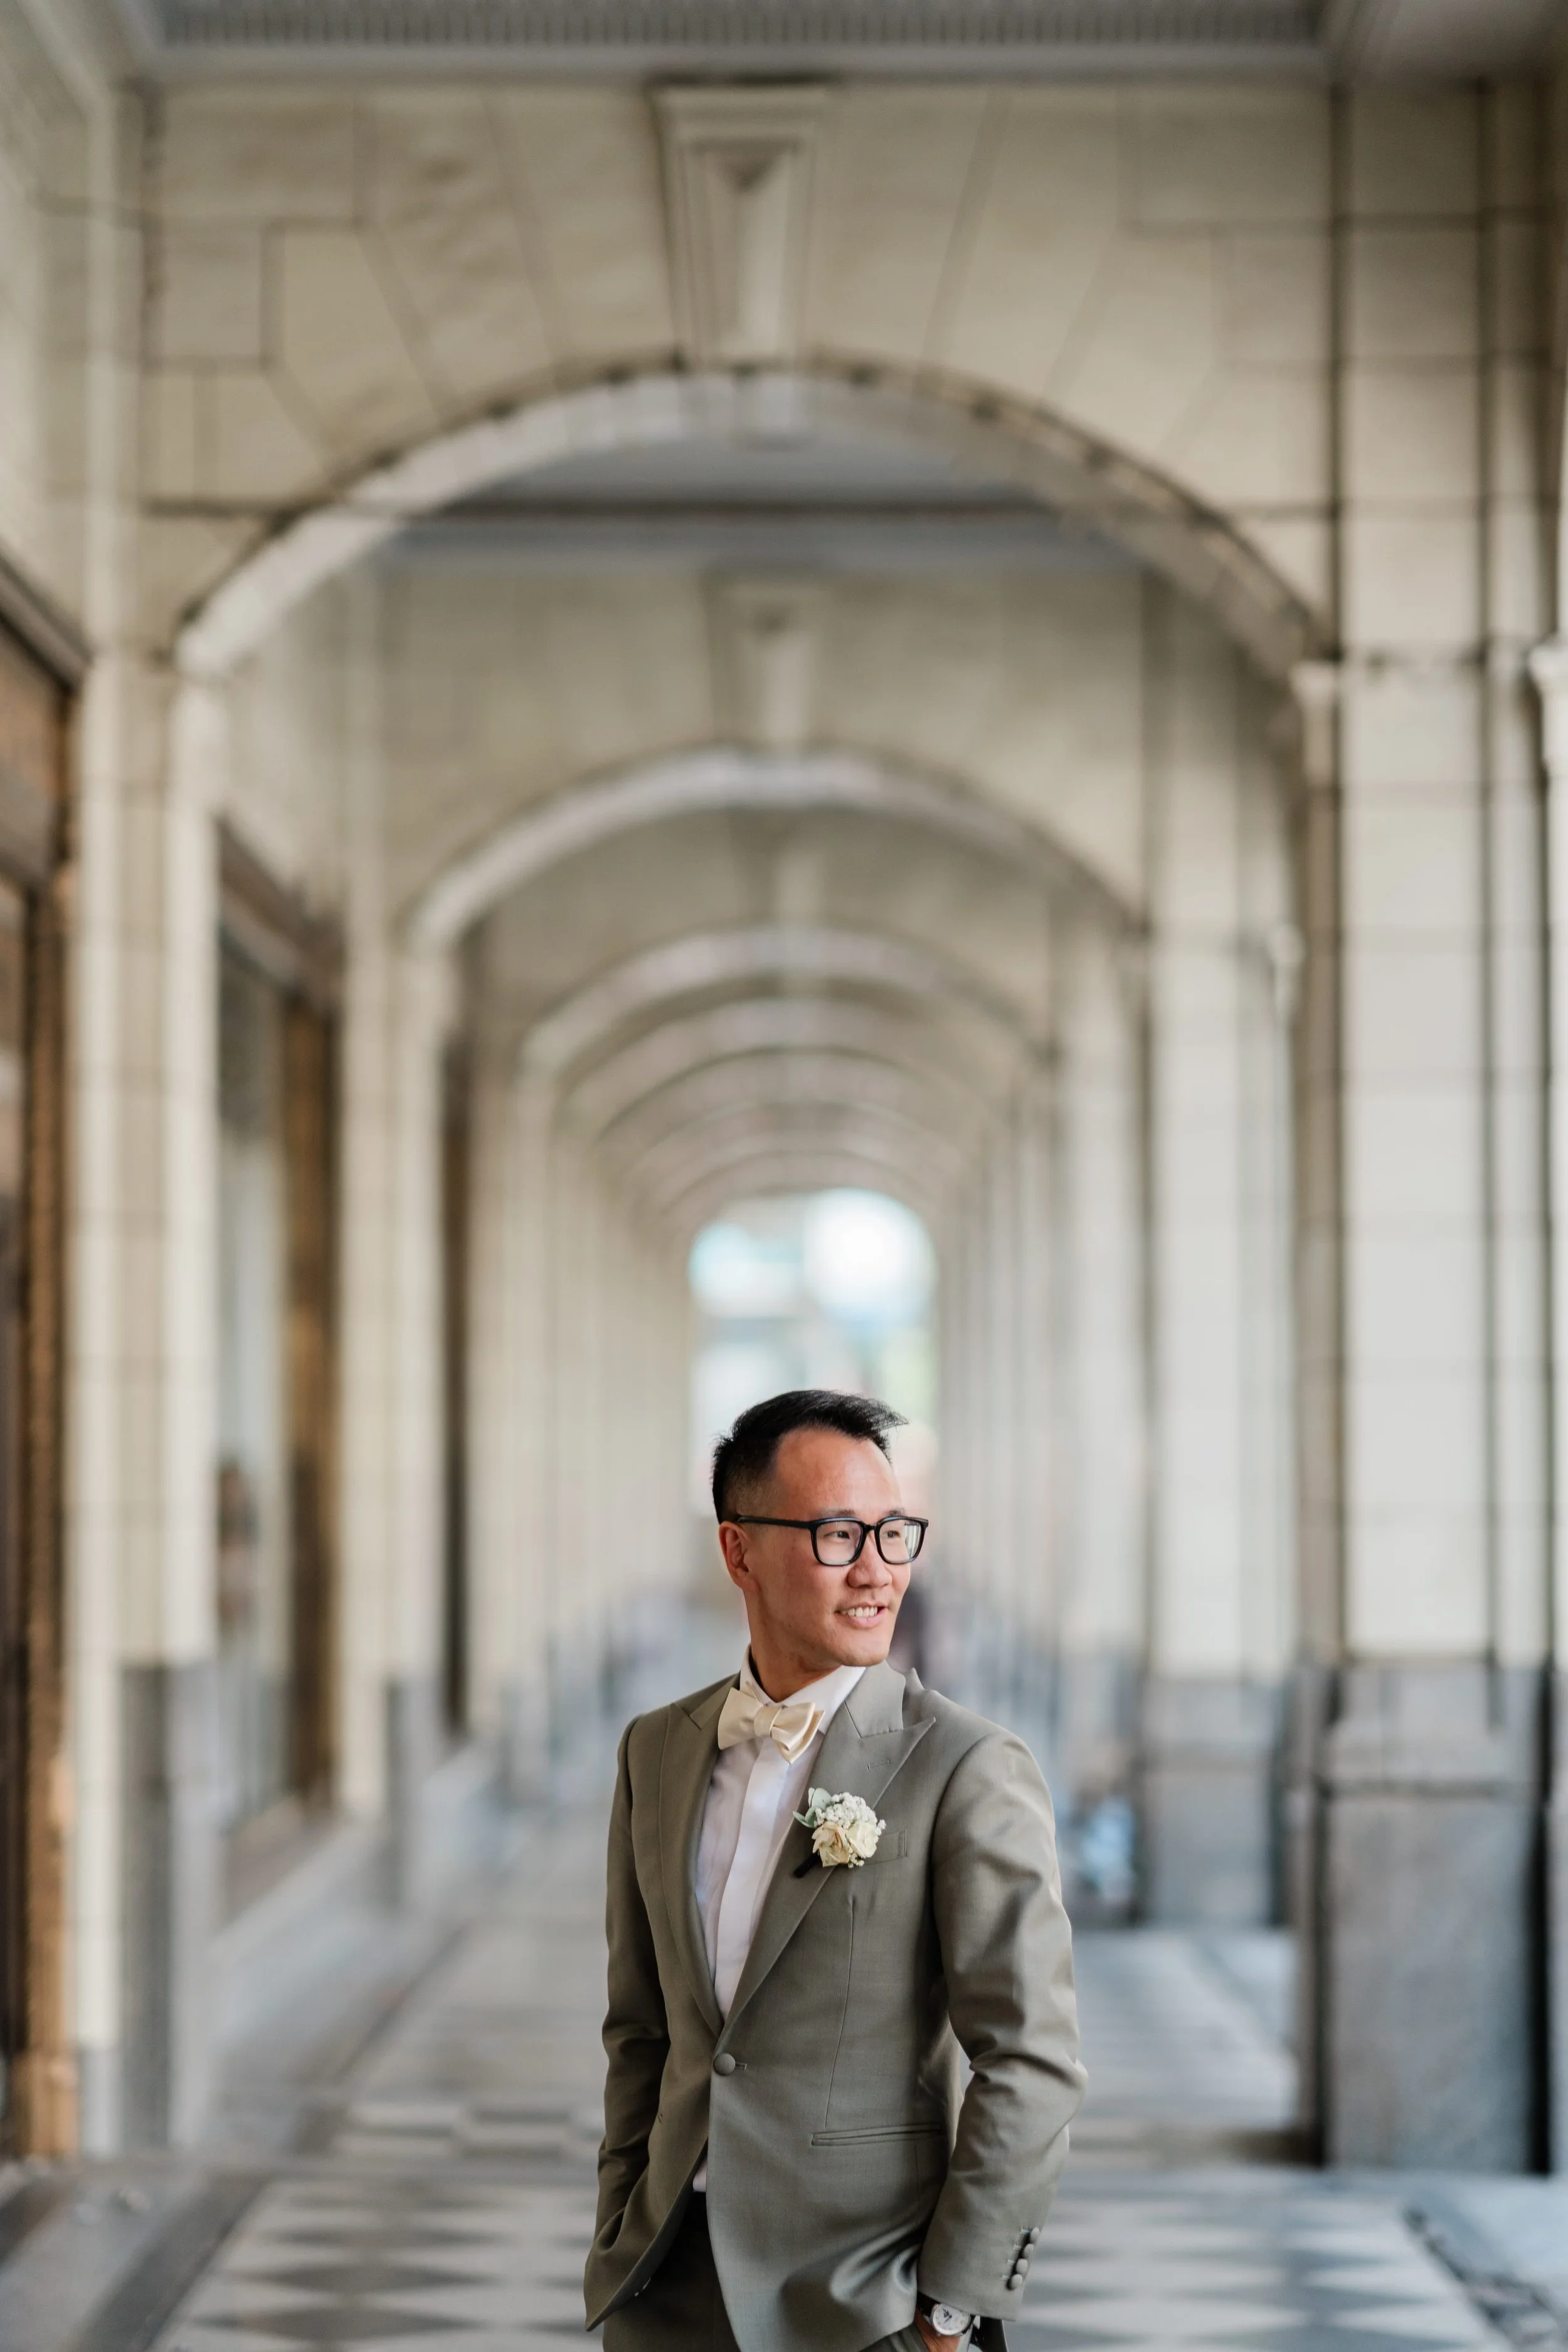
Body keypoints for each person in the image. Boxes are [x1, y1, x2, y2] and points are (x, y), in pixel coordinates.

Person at [585, 1389, 1084, 2352]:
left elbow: (1031, 2059)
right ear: (739, 1550)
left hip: (869, 2311)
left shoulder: (967, 1767)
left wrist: (949, 2315)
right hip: (669, 2296)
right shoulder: (658, 1750)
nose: (877, 1571)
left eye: (894, 1532)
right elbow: (641, 2028)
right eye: (837, 1533)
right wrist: (619, 2231)